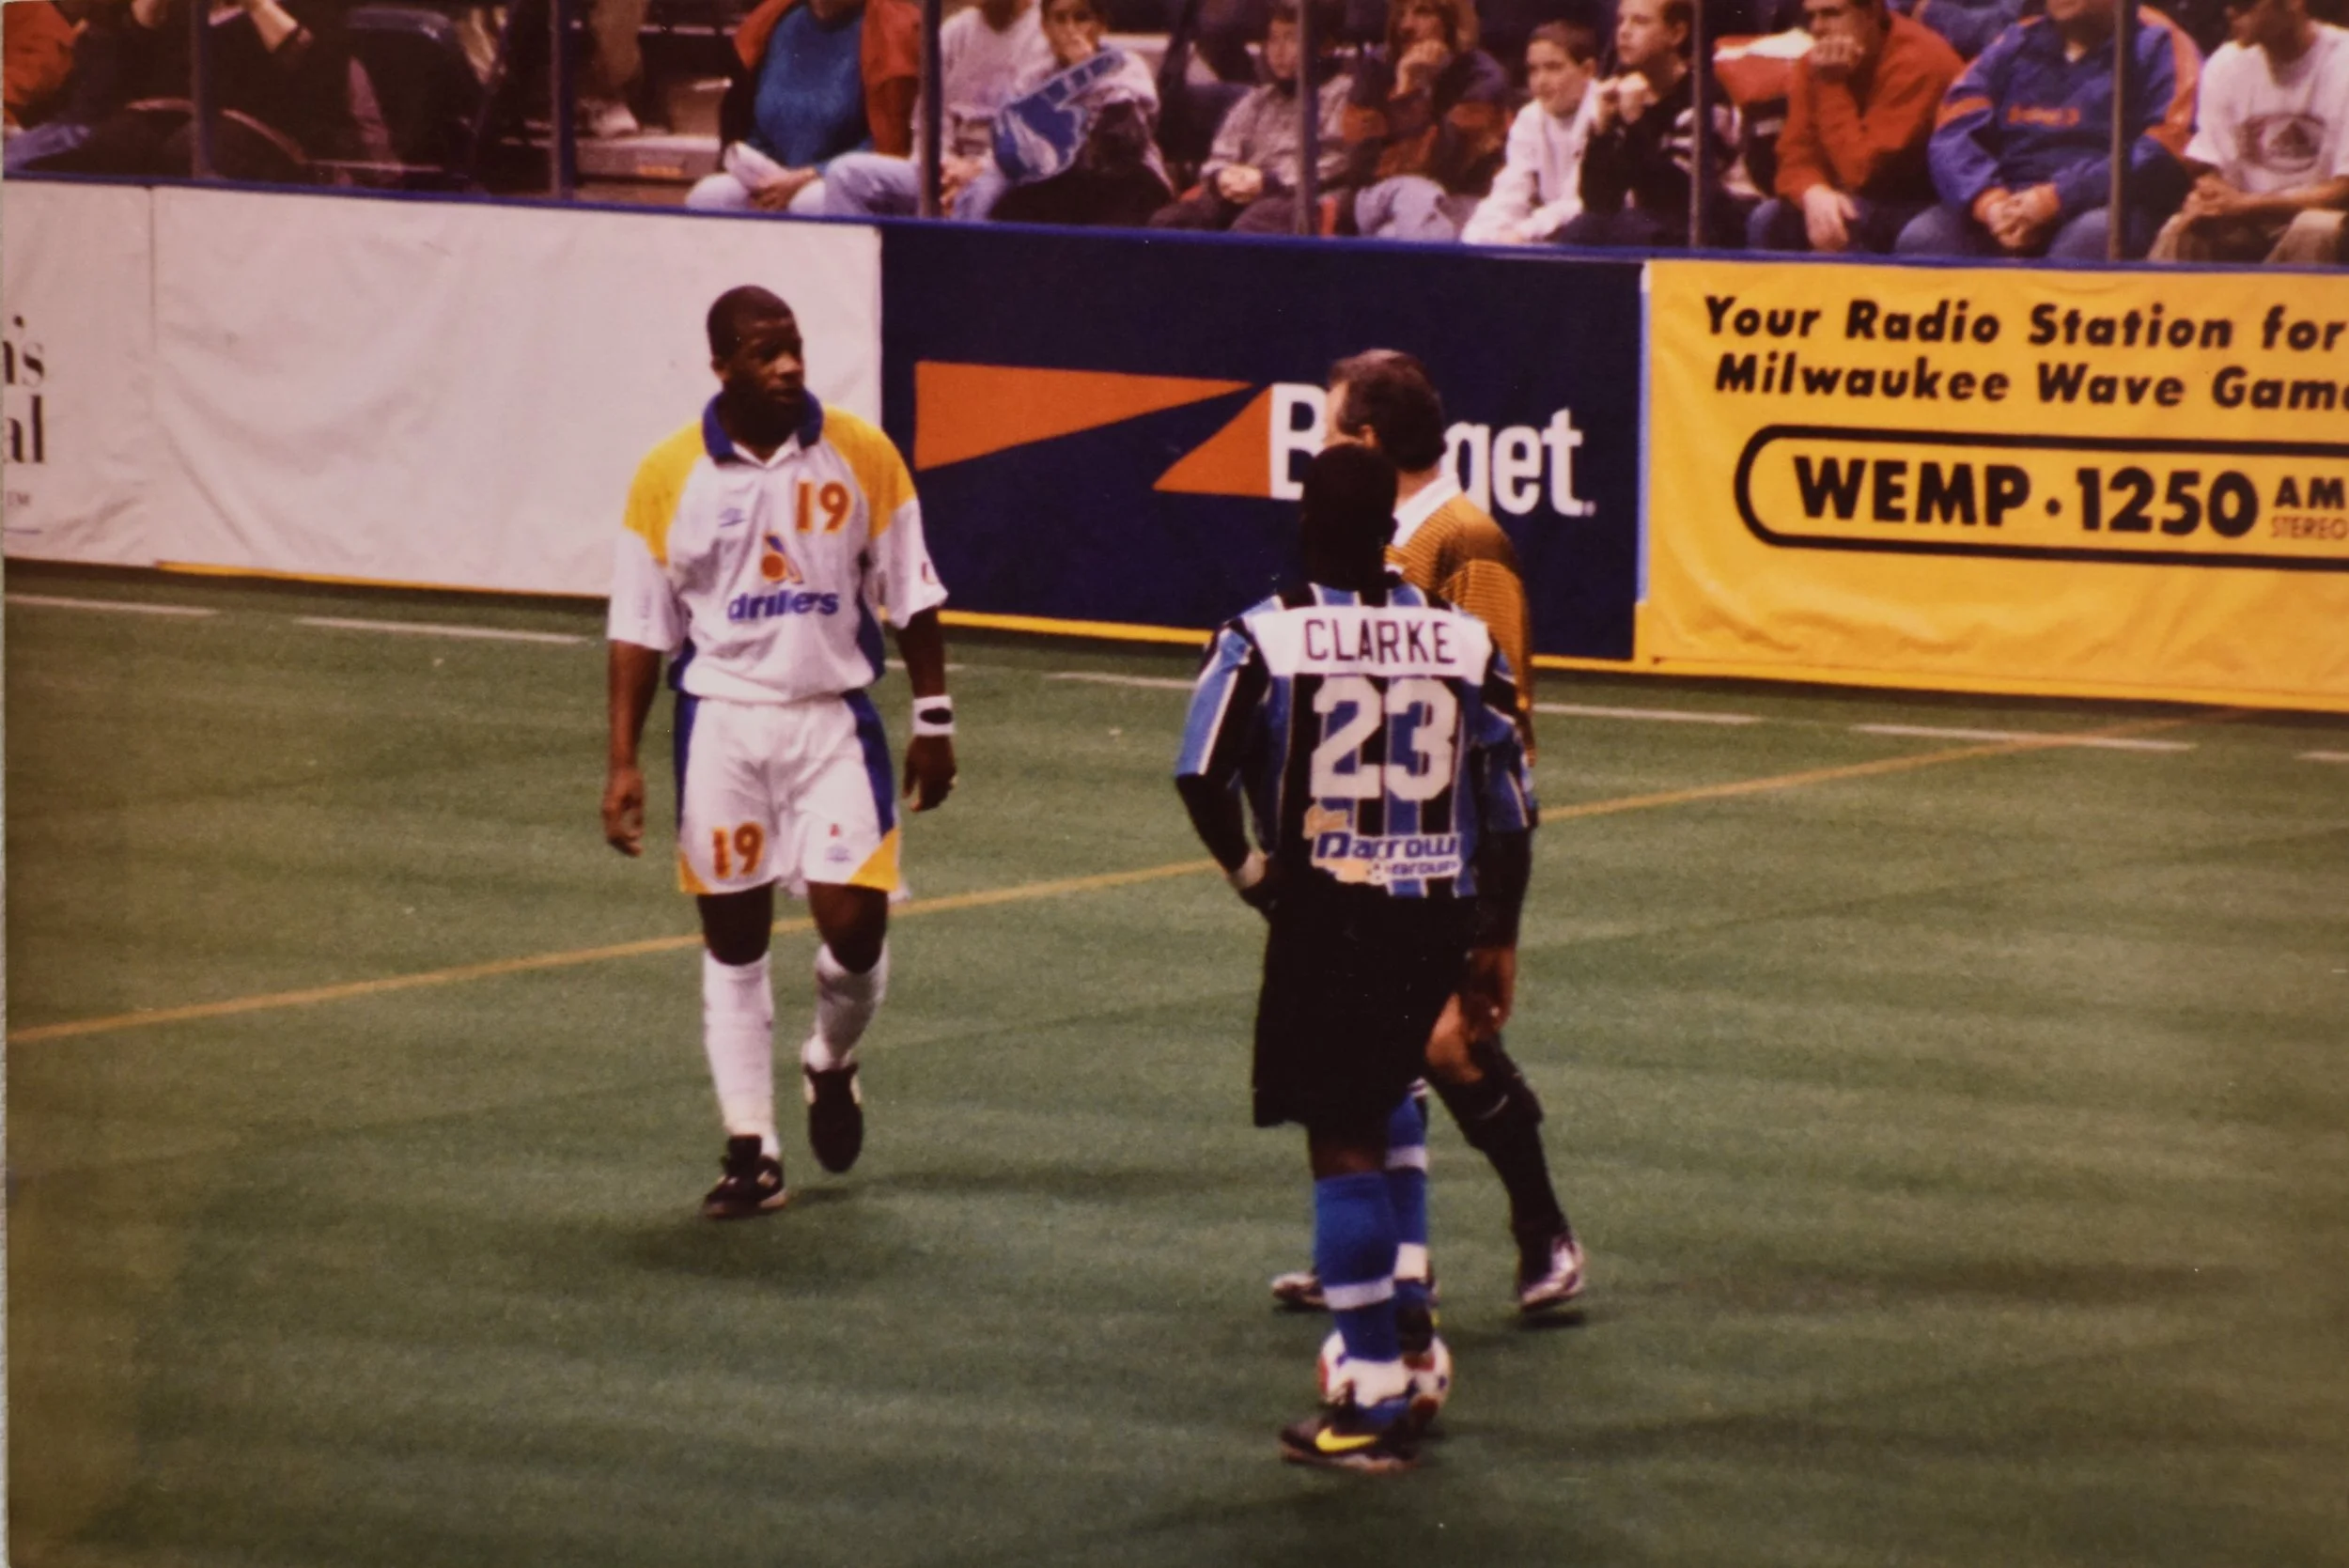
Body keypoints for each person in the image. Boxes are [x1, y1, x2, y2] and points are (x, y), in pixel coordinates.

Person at [1175, 442, 1538, 1471]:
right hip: (1436, 911)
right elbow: (1510, 804)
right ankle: (1408, 1299)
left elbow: (1200, 772)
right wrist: (1497, 934)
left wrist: (1253, 874)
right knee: (1392, 1088)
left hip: (1328, 913)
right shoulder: (1463, 639)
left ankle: (1372, 1394)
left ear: (1303, 522)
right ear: (1390, 530)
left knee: (1339, 1138)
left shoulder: (1262, 634)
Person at [602, 286, 957, 1218]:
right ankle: (750, 1146)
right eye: (764, 353)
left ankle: (830, 1058)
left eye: (793, 346)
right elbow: (638, 627)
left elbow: (914, 590)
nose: (789, 365)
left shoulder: (861, 451)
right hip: (721, 722)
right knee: (735, 937)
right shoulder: (668, 473)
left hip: (831, 716)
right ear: (721, 366)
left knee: (855, 925)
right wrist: (623, 761)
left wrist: (935, 717)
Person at [1267, 350, 1587, 1318]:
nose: (1319, 446)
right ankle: (1383, 1260)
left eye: (1330, 428)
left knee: (1446, 1041)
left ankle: (1543, 1232)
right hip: (1371, 845)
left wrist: (1495, 908)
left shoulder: (1464, 541)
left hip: (1442, 852)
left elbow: (1501, 724)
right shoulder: (1383, 538)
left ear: (1367, 438)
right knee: (1377, 1050)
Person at [1895, 0, 2201, 258]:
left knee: (2089, 239)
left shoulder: (2161, 42)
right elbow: (1952, 131)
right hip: (2006, 200)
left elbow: (2167, 147)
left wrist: (2056, 198)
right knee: (1925, 237)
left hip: (2103, 203)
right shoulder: (2012, 42)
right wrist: (1989, 202)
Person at [6, 0, 361, 179]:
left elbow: (319, 74)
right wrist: (147, 11)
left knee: (190, 149)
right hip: (172, 114)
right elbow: (119, 74)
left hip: (269, 126)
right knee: (113, 145)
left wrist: (255, 5)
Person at [1748, 0, 1963, 252]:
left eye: (1831, 14)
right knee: (1768, 219)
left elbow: (1861, 170)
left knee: (1865, 224)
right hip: (1862, 195)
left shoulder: (1921, 60)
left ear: (1872, 13)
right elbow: (1795, 155)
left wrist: (1831, 86)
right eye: (1811, 17)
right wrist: (1813, 192)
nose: (1818, 28)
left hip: (1922, 198)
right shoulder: (1815, 62)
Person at [2150, 0, 2349, 262]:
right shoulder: (2225, 64)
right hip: (2246, 219)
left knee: (2315, 228)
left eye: (2245, 4)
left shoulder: (2342, 61)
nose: (2231, 12)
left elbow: (2344, 189)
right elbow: (2209, 166)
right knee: (2181, 229)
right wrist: (2210, 197)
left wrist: (2247, 204)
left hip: (2327, 217)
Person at [820, 0, 1053, 218]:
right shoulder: (954, 31)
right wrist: (944, 167)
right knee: (845, 174)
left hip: (1002, 174)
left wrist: (978, 169)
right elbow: (928, 118)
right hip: (943, 168)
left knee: (982, 192)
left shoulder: (1044, 33)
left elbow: (1029, 135)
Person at [688, 0, 919, 216]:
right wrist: (760, 175)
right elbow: (754, 124)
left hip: (839, 180)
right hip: (771, 172)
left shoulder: (893, 30)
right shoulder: (775, 21)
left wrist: (811, 174)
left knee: (809, 204)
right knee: (711, 195)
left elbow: (886, 144)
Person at [1148, 0, 1352, 232]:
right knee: (1171, 221)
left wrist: (1269, 182)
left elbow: (1339, 161)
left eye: (1291, 39)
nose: (1278, 51)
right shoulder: (1258, 99)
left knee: (1254, 221)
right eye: (1273, 39)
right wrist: (1222, 176)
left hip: (1301, 198)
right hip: (1244, 193)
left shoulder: (1343, 95)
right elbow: (1223, 151)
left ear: (1325, 46)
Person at [966, 0, 1171, 225]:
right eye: (1060, 19)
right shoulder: (1034, 76)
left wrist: (1086, 72)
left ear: (1101, 25)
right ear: (1046, 28)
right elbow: (1014, 140)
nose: (1071, 29)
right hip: (1055, 178)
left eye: (1081, 18)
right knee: (1001, 208)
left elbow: (1123, 140)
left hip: (1124, 177)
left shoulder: (1127, 65)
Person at [1559, 0, 1739, 247]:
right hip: (1646, 224)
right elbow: (1597, 200)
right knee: (1584, 227)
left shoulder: (1705, 98)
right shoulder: (1624, 92)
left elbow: (1678, 198)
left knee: (1634, 230)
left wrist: (1635, 122)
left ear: (1676, 33)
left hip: (1706, 232)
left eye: (1640, 21)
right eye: (1620, 21)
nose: (1624, 31)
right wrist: (1602, 131)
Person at [1329, 0, 1512, 240]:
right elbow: (1361, 165)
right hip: (1379, 198)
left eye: (1423, 12)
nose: (1406, 26)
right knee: (1414, 193)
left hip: (1458, 199)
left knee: (1392, 233)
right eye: (1400, 14)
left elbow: (1446, 165)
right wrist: (1406, 84)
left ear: (1451, 21)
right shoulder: (1375, 66)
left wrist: (1411, 95)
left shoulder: (1483, 76)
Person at [1460, 21, 1602, 244]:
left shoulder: (1604, 112)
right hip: (1551, 227)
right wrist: (1476, 238)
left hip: (1599, 234)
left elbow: (1580, 202)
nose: (1541, 81)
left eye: (1553, 68)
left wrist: (1524, 232)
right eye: (1534, 70)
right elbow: (1511, 189)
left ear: (1587, 71)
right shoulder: (1530, 117)